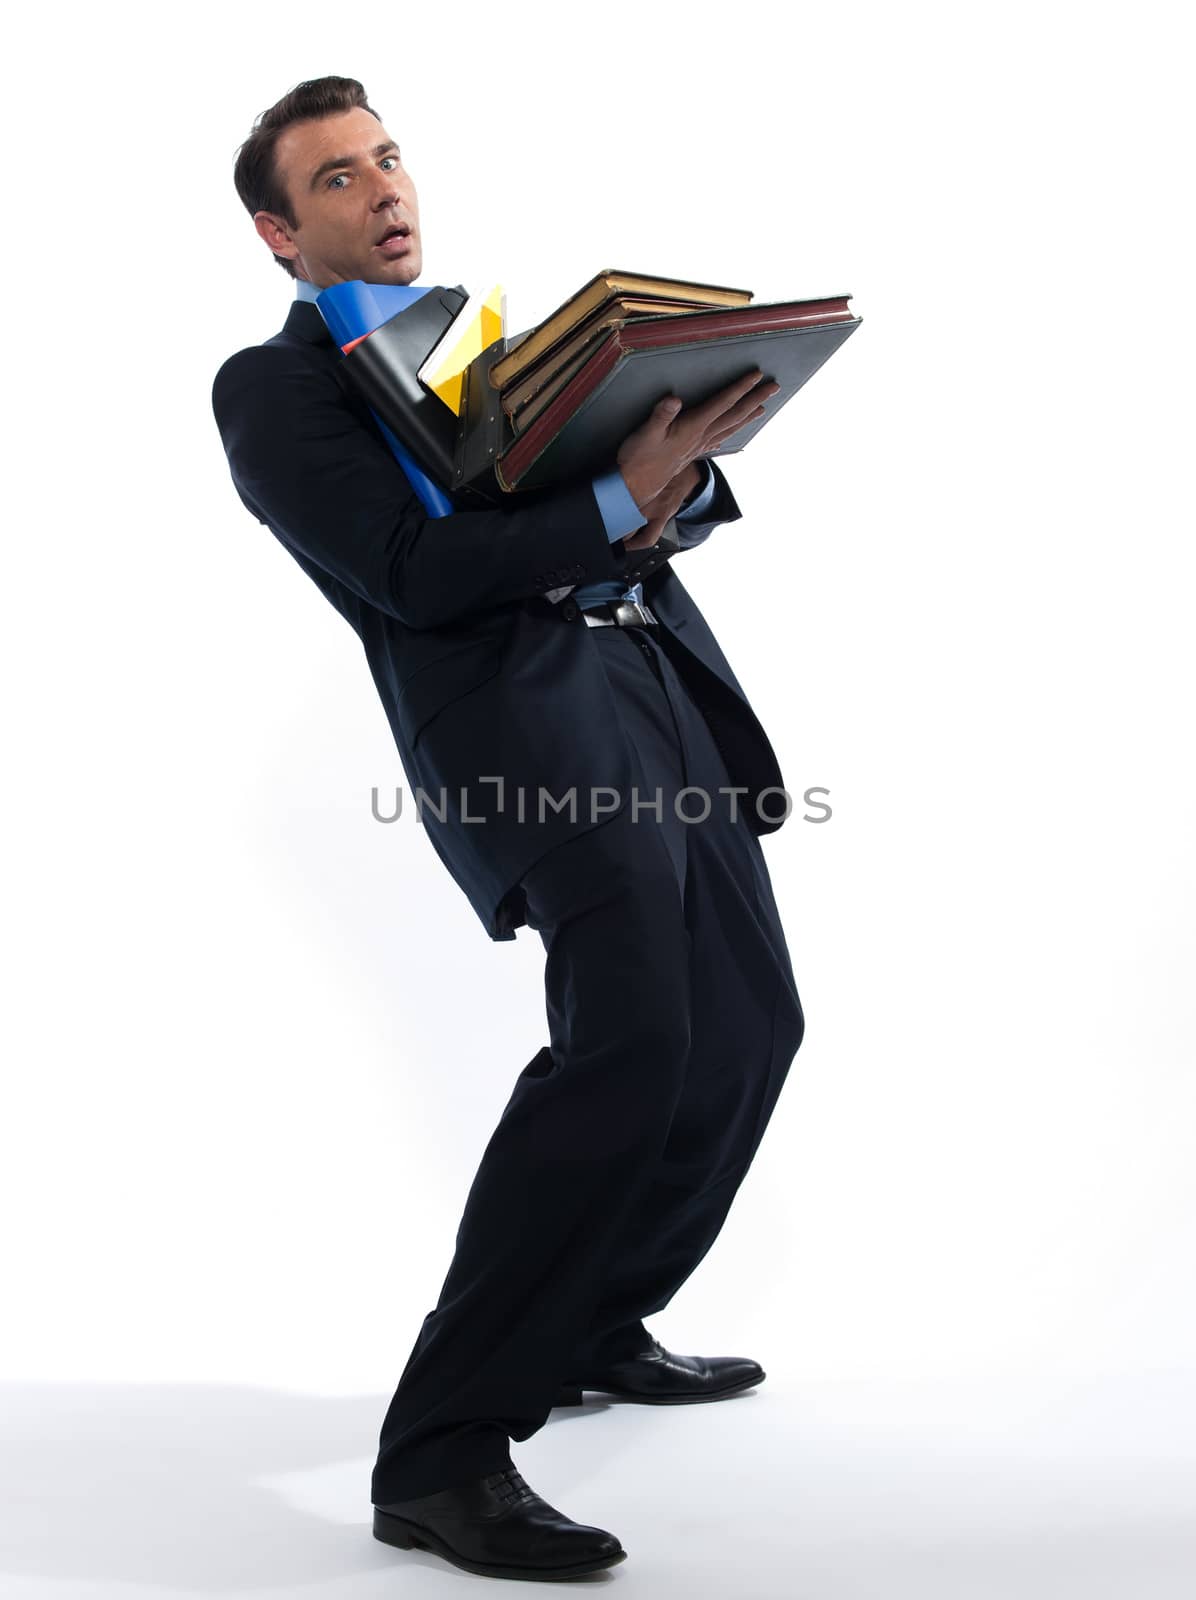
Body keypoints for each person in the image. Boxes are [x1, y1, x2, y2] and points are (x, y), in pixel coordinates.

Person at [212, 74, 805, 1583]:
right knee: (629, 1045)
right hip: (528, 730)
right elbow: (412, 570)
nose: (383, 188)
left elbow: (622, 503)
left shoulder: (486, 348)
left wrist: (664, 476)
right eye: (337, 179)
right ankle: (444, 1457)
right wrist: (619, 495)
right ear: (283, 236)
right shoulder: (269, 390)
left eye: (390, 158)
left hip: (653, 681)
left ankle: (598, 1317)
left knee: (747, 1028)